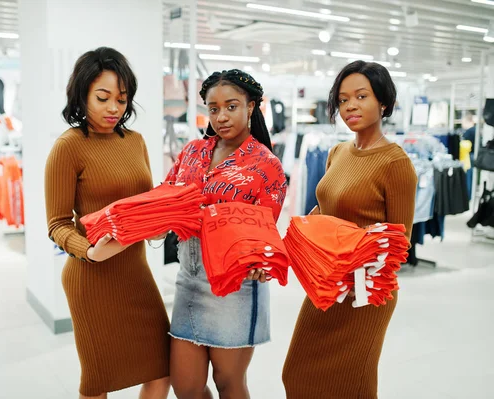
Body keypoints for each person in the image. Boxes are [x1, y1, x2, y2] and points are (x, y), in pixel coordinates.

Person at [282, 60, 417, 398]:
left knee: (351, 382)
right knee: (296, 374)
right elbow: (324, 211)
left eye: (361, 96)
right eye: (343, 100)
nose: (351, 106)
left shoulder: (395, 163)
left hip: (364, 293)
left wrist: (364, 283)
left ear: (383, 102)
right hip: (327, 283)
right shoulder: (337, 152)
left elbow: (400, 242)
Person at [45, 47, 170, 399]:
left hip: (136, 273)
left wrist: (160, 223)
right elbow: (56, 224)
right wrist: (89, 251)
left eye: (121, 98)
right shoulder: (68, 147)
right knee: (97, 381)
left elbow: (144, 205)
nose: (114, 108)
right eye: (103, 98)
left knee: (162, 369)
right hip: (91, 279)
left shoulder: (136, 141)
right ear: (82, 94)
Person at [165, 69, 287, 399]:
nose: (221, 116)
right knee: (185, 387)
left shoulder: (266, 165)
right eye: (213, 108)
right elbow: (166, 195)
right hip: (189, 281)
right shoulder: (192, 151)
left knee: (228, 384)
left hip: (236, 287)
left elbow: (265, 232)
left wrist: (262, 261)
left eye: (231, 106)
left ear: (251, 107)